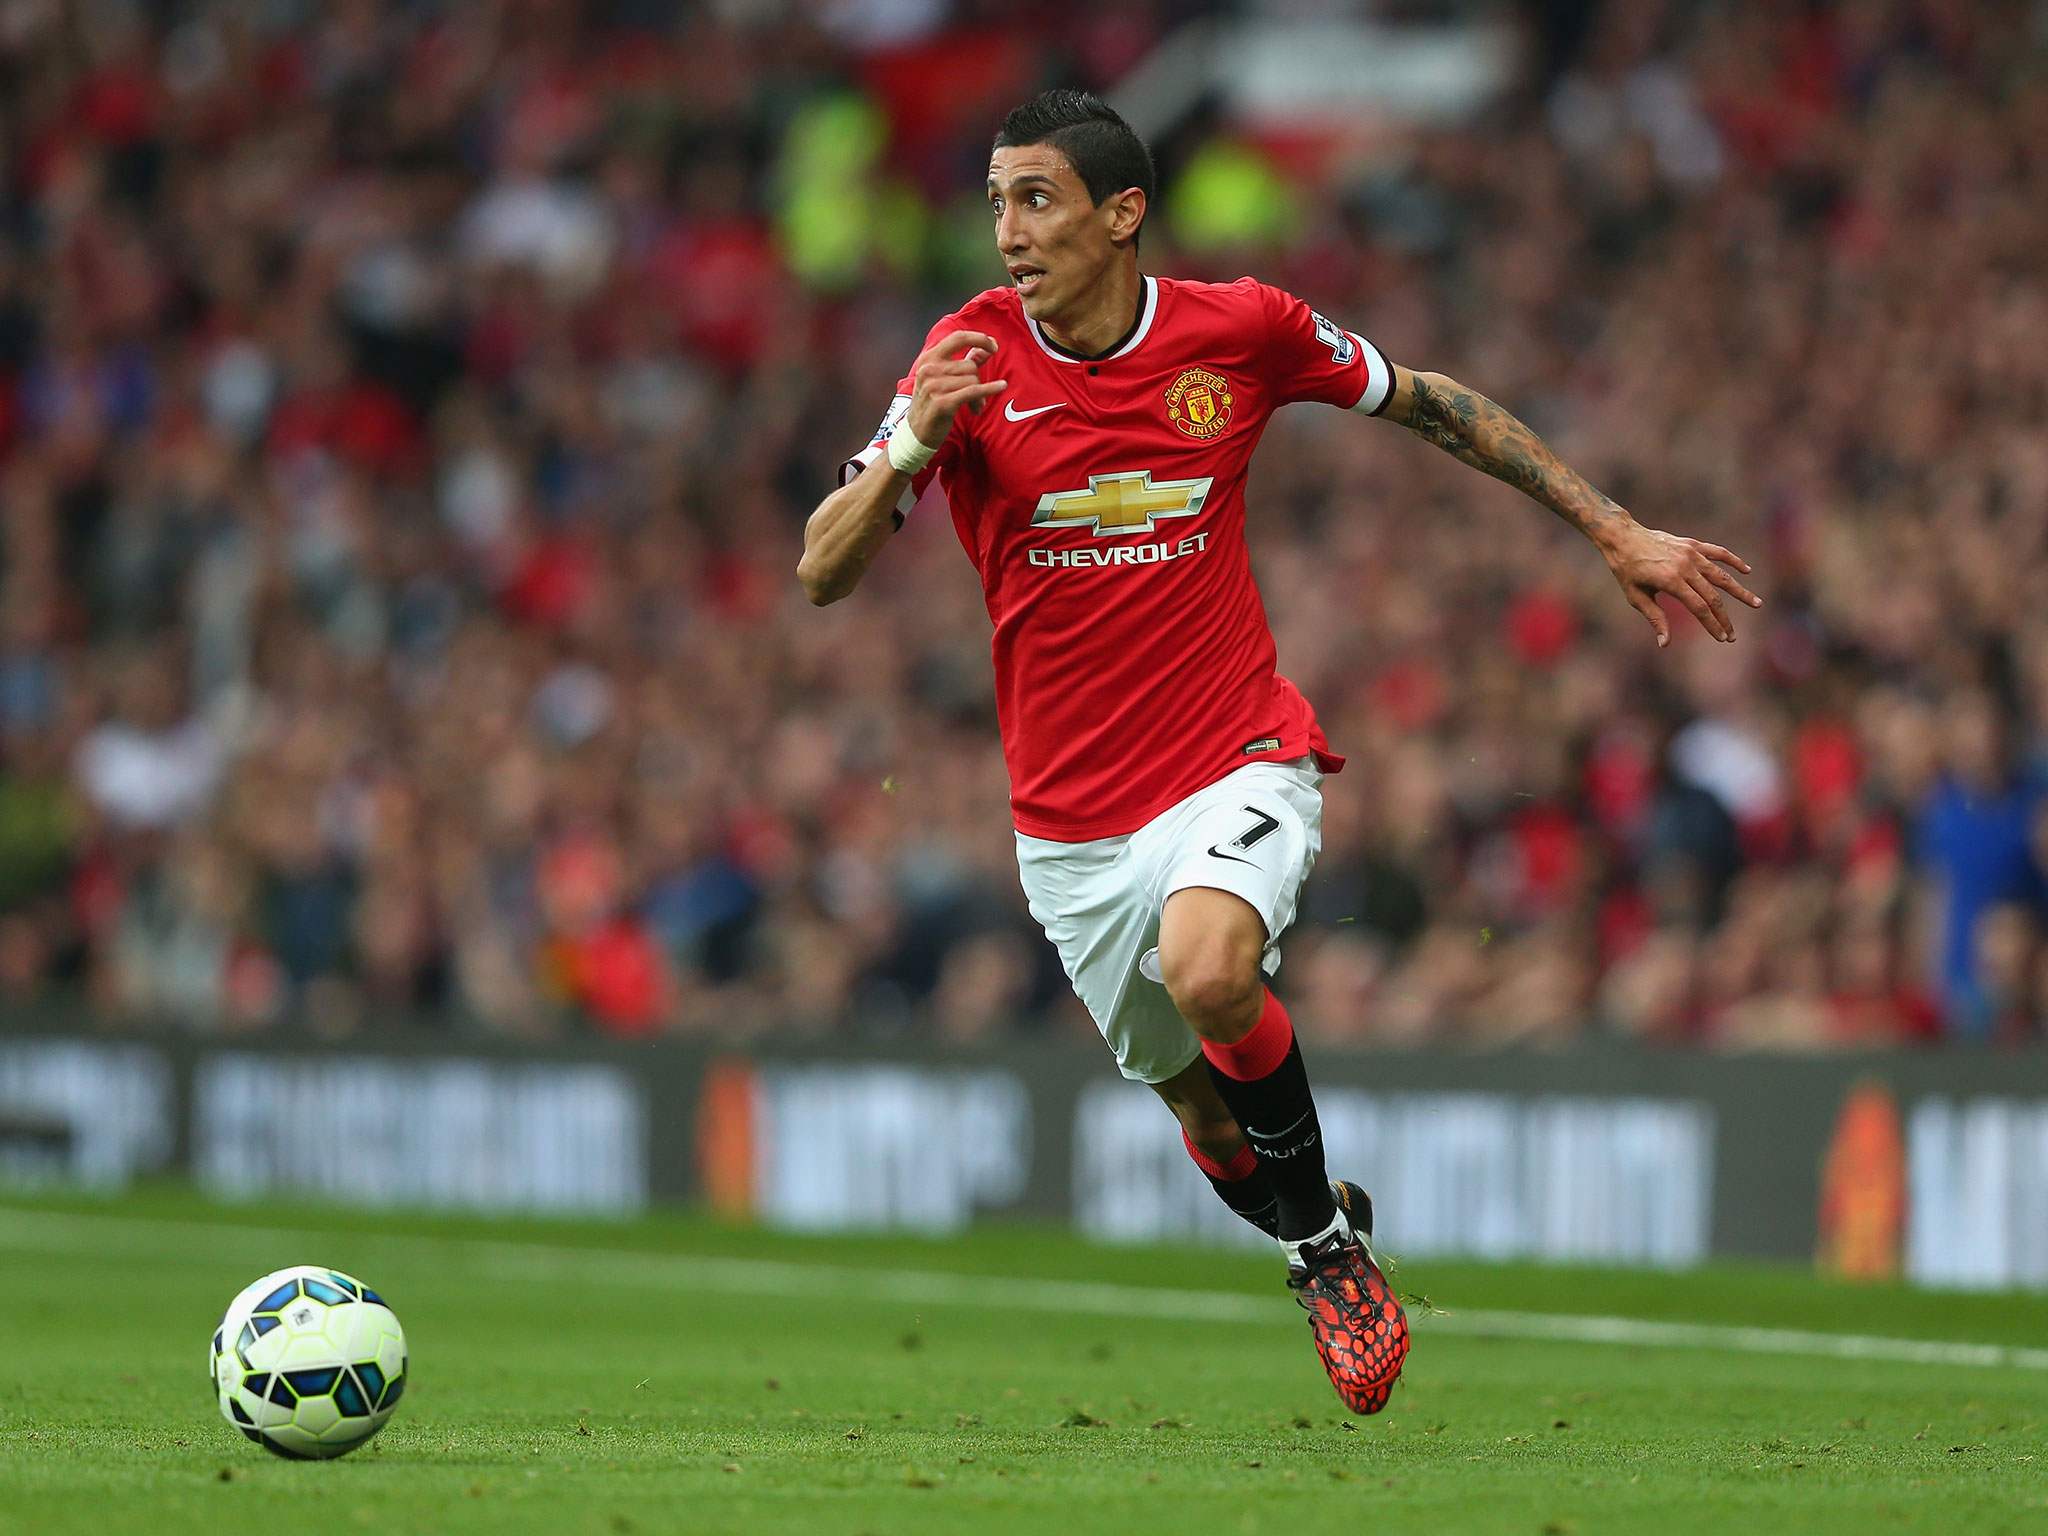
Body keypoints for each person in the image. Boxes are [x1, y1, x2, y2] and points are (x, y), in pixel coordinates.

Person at [797, 90, 1761, 1416]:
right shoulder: (963, 358)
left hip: (1234, 754)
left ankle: (1324, 1263)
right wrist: (914, 439)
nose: (1008, 232)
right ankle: (1320, 1223)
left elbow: (1430, 403)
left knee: (1209, 969)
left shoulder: (1239, 329)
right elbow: (822, 569)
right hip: (1069, 828)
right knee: (1206, 1120)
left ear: (1122, 213)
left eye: (1037, 200)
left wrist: (1613, 527)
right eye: (998, 203)